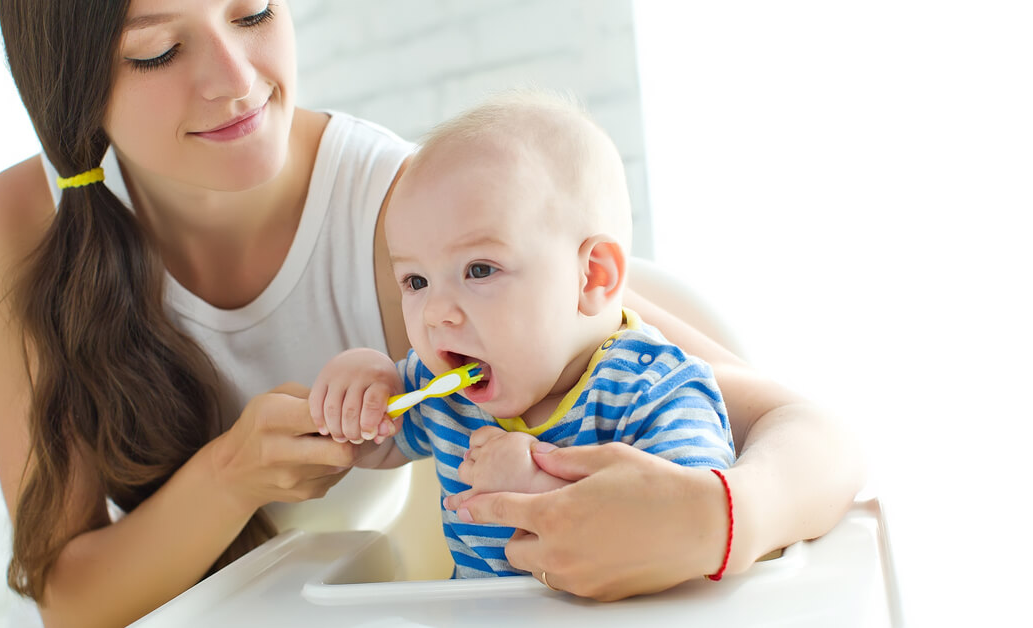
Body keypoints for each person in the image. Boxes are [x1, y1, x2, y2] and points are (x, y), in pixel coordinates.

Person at [0, 1, 863, 626]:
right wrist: (231, 475)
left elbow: (812, 436)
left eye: (255, 13)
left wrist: (715, 519)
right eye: (158, 51)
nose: (236, 81)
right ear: (69, 84)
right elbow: (70, 603)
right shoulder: (24, 227)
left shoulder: (419, 226)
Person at [308, 91, 737, 579]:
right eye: (416, 281)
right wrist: (361, 392)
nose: (436, 313)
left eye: (479, 269)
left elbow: (688, 534)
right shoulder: (442, 389)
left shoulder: (654, 392)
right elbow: (376, 442)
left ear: (592, 277)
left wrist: (539, 488)